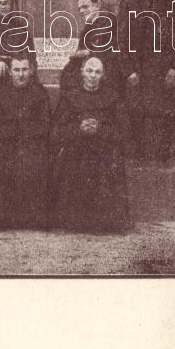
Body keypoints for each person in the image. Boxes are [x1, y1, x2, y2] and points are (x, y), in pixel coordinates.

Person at [51, 56, 131, 233]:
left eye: (97, 72)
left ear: (103, 75)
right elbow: (56, 130)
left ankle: (103, 222)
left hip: (104, 149)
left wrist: (100, 129)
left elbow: (124, 131)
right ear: (82, 72)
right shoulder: (70, 97)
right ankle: (75, 221)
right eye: (89, 71)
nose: (93, 76)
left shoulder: (113, 97)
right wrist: (78, 128)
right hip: (76, 148)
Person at [0, 54, 51, 232]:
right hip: (6, 144)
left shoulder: (40, 94)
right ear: (10, 72)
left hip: (31, 144)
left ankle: (32, 219)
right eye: (16, 70)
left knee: (35, 163)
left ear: (31, 71)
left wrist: (19, 130)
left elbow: (44, 125)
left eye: (24, 69)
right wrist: (18, 129)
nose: (21, 74)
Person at [123, 0, 175, 164]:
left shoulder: (172, 5)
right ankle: (138, 158)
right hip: (139, 70)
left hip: (165, 70)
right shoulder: (129, 5)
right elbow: (121, 40)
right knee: (137, 114)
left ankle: (164, 158)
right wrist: (129, 70)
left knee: (165, 116)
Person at [60, 0, 125, 94]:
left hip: (108, 72)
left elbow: (115, 50)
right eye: (79, 8)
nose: (81, 11)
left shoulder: (110, 23)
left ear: (96, 6)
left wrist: (88, 52)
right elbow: (80, 52)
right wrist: (78, 55)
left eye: (85, 7)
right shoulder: (86, 30)